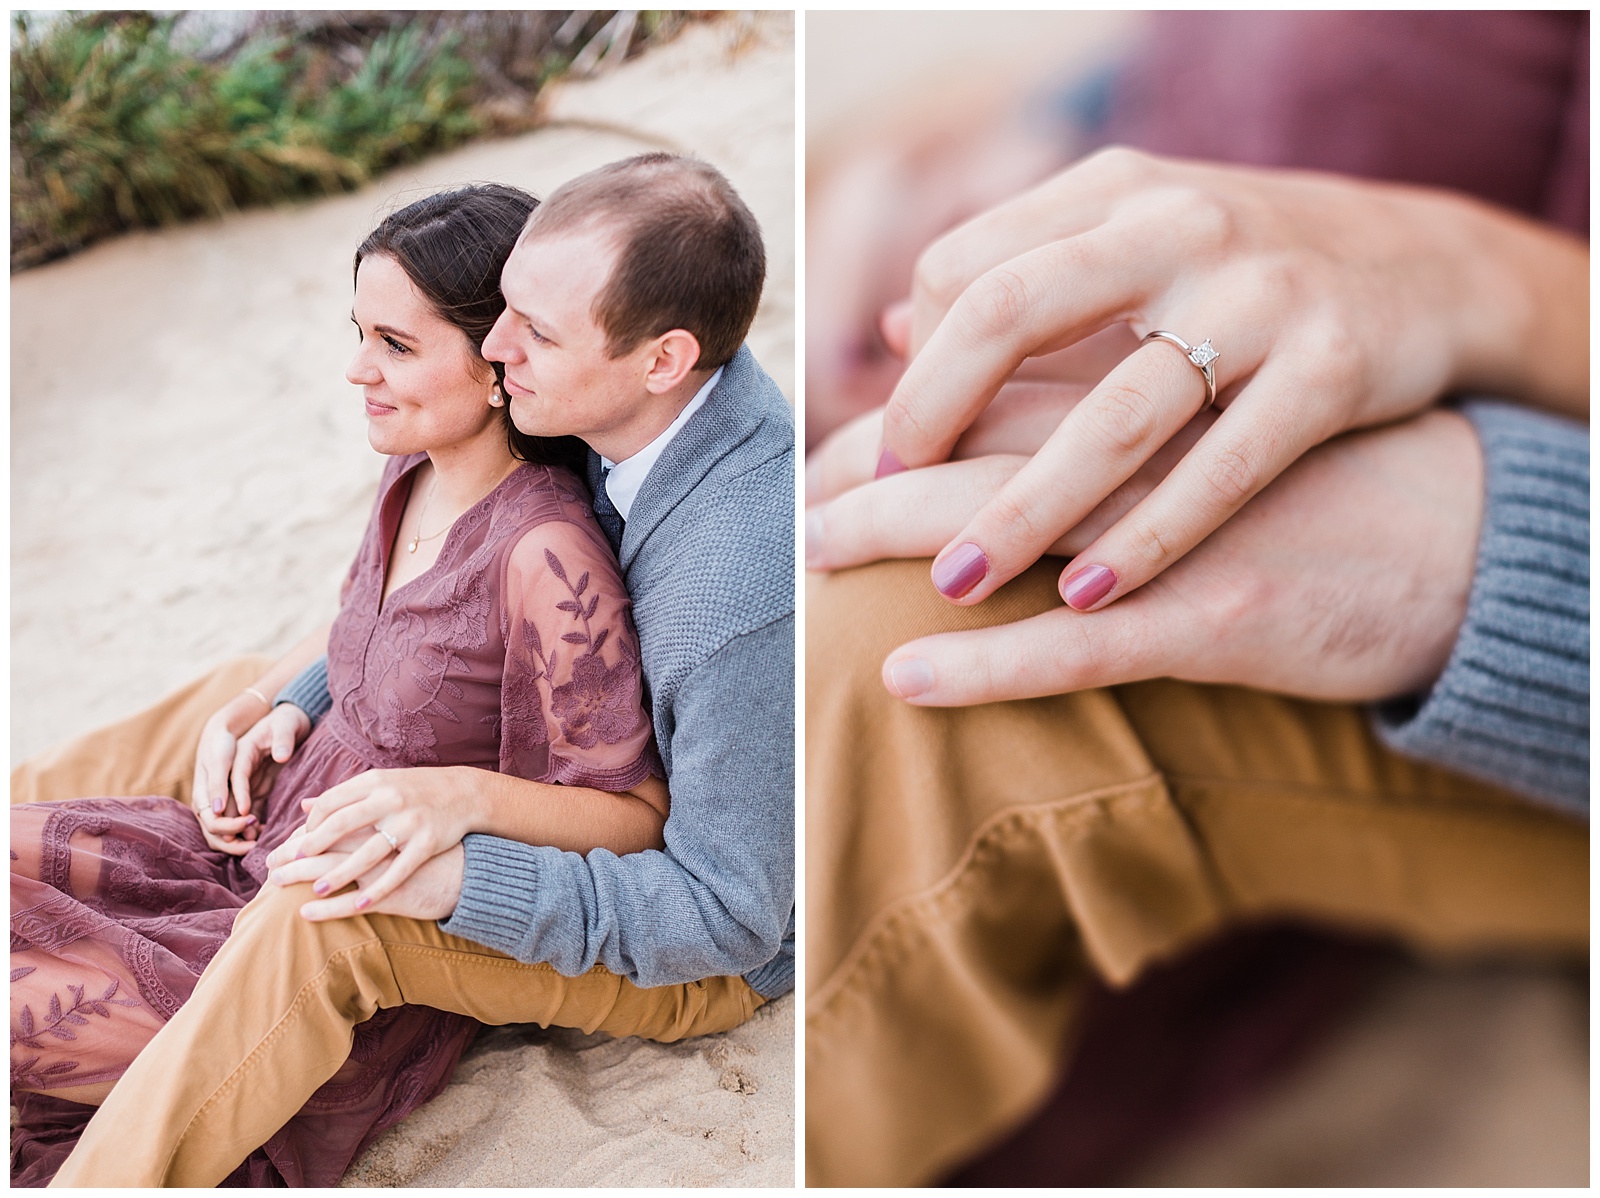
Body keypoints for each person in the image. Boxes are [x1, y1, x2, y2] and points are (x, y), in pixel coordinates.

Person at [802, 11, 1586, 1186]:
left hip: (1503, 548)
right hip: (1248, 337)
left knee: (916, 652)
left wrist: (1506, 532)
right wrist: (1037, 156)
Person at [43, 152, 795, 1187]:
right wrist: (288, 699)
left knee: (338, 905)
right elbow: (411, 607)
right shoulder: (572, 400)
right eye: (502, 313)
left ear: (664, 359)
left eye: (529, 331)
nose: (495, 346)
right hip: (529, 780)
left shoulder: (729, 591)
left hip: (703, 942)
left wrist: (460, 865)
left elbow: (724, 911)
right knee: (233, 687)